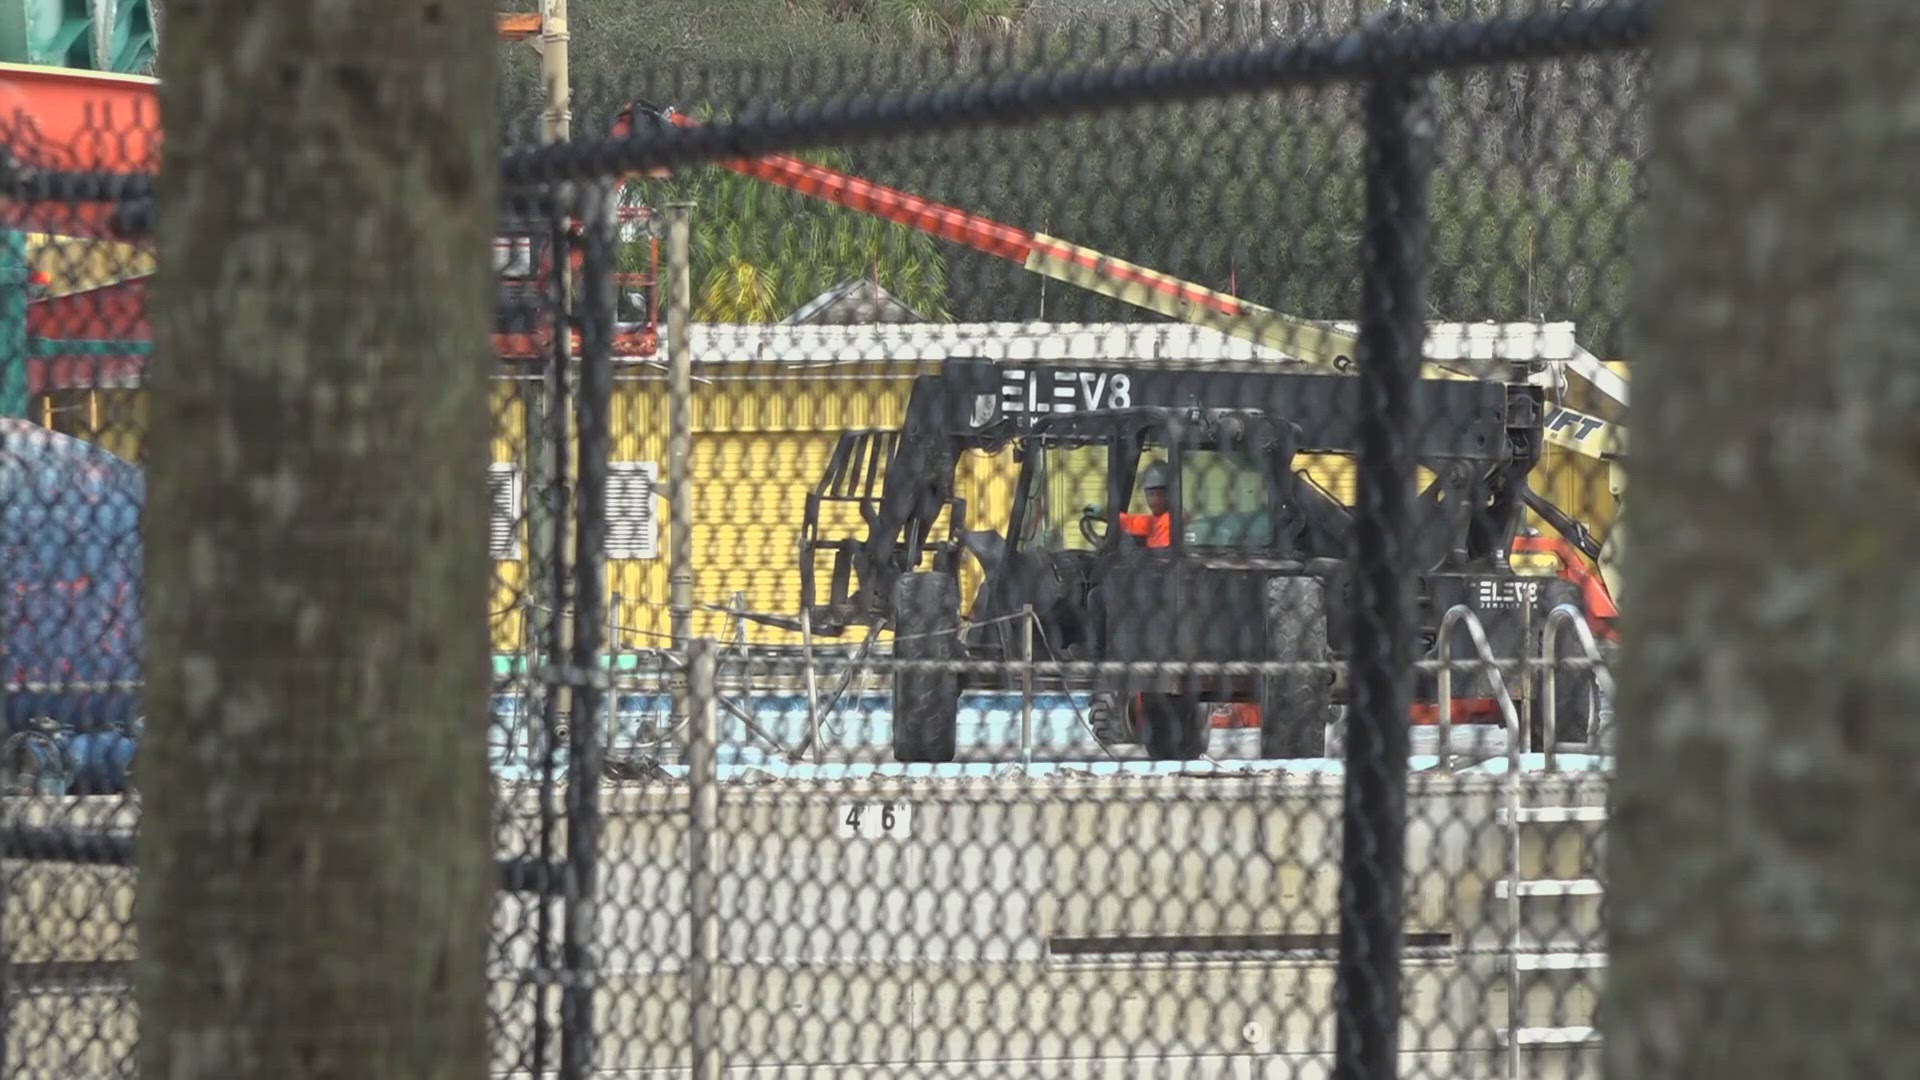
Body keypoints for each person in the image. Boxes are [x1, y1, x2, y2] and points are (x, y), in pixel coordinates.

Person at [1084, 460, 1173, 548]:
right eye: (1151, 494)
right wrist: (1105, 513)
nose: (1155, 500)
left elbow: (1163, 556)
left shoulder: (1173, 520)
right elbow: (1130, 522)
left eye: (1160, 494)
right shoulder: (1154, 520)